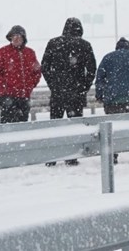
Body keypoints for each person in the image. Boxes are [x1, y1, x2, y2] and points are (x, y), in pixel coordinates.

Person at [41, 17, 96, 166]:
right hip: (76, 94)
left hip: (58, 93)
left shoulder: (53, 43)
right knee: (75, 125)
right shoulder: (85, 45)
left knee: (56, 125)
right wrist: (84, 87)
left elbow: (44, 67)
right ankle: (72, 156)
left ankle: (53, 157)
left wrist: (53, 84)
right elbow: (91, 70)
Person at [0, 25, 42, 124]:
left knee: (23, 126)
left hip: (24, 96)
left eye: (19, 36)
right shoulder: (2, 52)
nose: (16, 39)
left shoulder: (30, 53)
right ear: (10, 38)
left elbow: (37, 71)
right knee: (7, 126)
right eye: (14, 36)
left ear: (23, 38)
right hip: (8, 96)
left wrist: (31, 85)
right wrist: (5, 83)